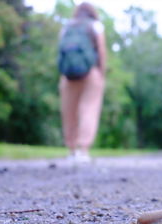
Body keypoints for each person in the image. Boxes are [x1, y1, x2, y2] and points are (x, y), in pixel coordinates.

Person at [58, 2, 107, 163]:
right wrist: (102, 73)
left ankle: (71, 150)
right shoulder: (95, 26)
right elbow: (101, 51)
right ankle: (83, 150)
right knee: (89, 109)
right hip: (90, 72)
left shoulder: (67, 27)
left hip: (68, 75)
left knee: (69, 111)